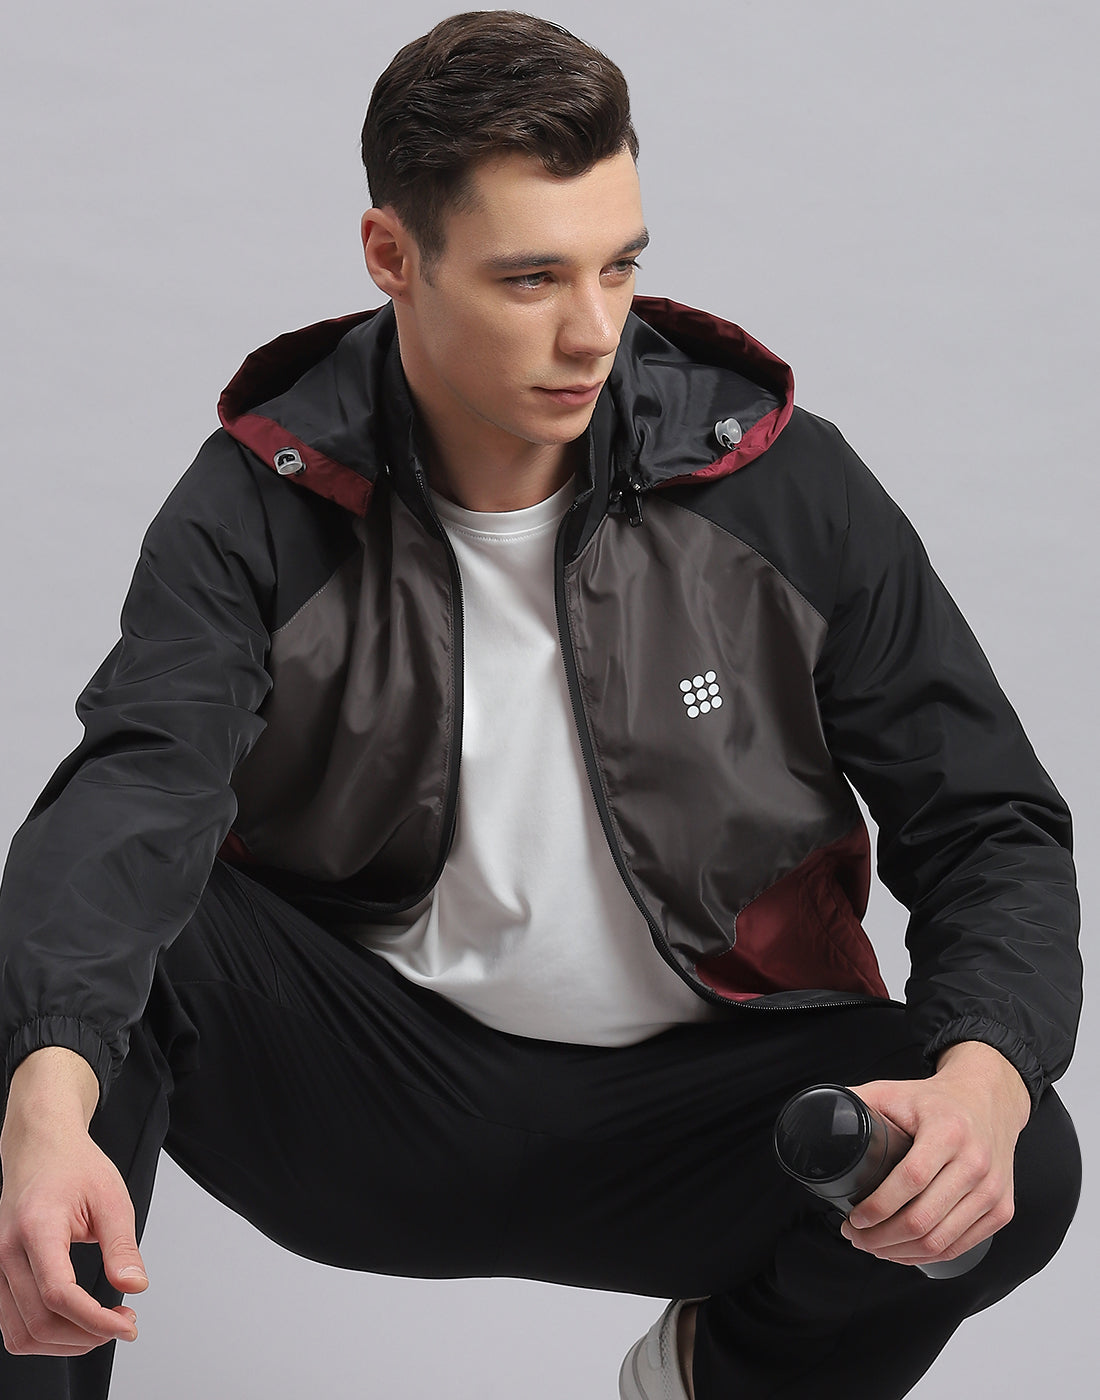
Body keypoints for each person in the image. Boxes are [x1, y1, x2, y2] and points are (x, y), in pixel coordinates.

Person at [0, 11, 1082, 1399]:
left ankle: (714, 1380)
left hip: (709, 1117)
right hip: (372, 1098)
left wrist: (984, 1080)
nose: (592, 332)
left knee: (1018, 1144)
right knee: (60, 962)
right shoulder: (259, 506)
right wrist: (46, 1101)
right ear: (392, 254)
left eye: (618, 265)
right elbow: (136, 791)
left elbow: (987, 821)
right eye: (530, 278)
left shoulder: (778, 484)